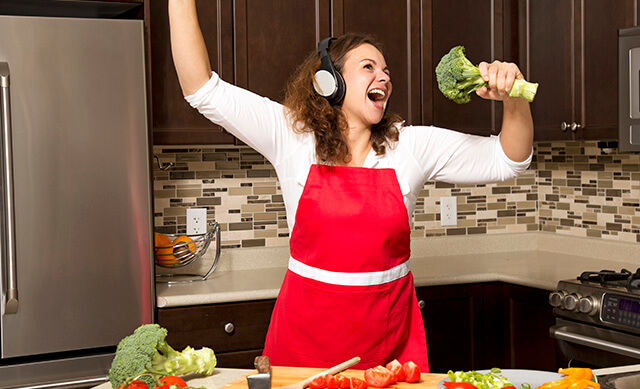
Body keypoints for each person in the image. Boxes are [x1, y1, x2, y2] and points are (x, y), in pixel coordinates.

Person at [169, 0, 533, 372]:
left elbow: (508, 160)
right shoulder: (290, 135)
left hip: (387, 347)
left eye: (386, 70)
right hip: (302, 346)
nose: (385, 77)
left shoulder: (410, 146)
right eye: (368, 67)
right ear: (331, 81)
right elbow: (202, 89)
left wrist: (514, 96)